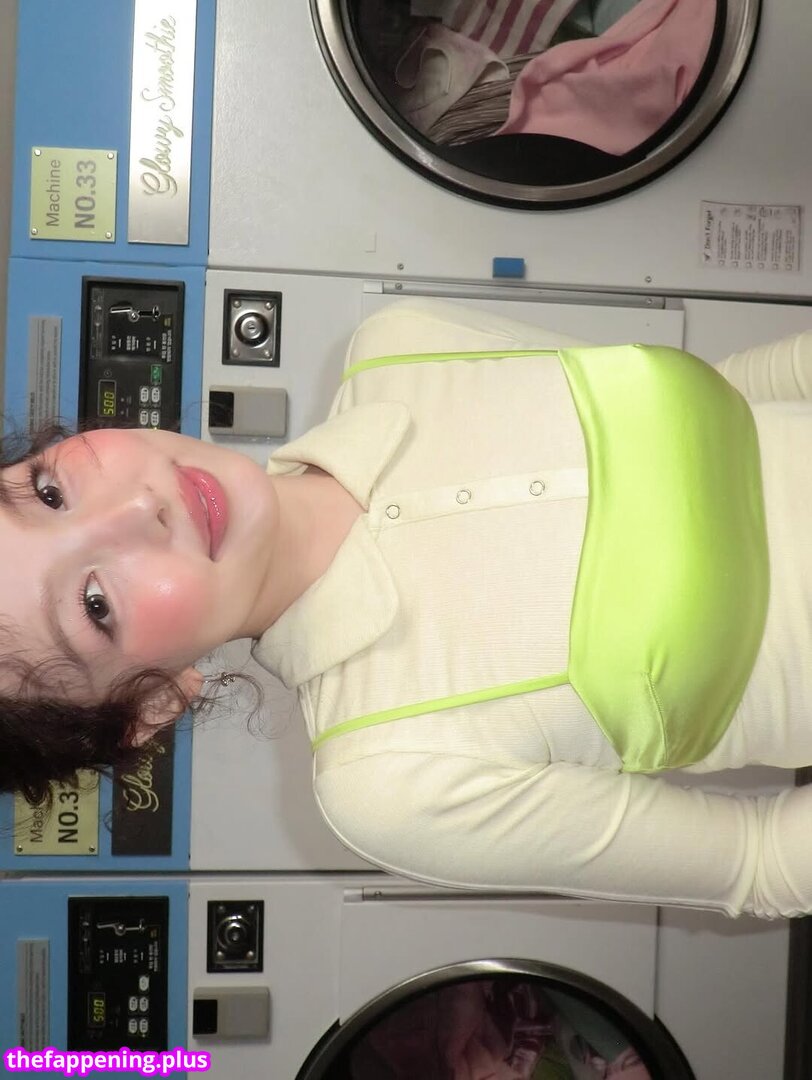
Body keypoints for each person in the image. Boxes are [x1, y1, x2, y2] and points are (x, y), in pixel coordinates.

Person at [3, 298, 812, 919]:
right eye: (96, 602)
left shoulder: (402, 343)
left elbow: (737, 395)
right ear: (150, 702)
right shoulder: (388, 780)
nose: (134, 509)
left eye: (48, 491)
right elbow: (760, 862)